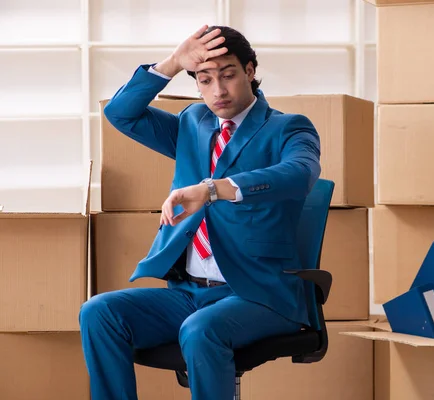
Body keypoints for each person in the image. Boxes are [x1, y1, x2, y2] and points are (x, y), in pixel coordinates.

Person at [79, 25, 321, 400]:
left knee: (201, 329)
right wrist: (174, 62)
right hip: (189, 292)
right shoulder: (193, 123)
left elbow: (299, 175)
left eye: (228, 75)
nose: (218, 91)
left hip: (259, 294)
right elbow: (121, 113)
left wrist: (213, 189)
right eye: (205, 80)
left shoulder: (288, 128)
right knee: (99, 312)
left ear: (250, 71)